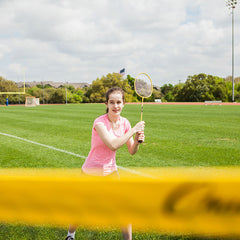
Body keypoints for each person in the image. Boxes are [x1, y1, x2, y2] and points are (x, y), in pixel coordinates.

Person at [65, 87, 145, 240]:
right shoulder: (99, 123)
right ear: (106, 104)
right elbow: (112, 145)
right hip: (90, 173)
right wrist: (134, 130)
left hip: (111, 173)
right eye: (112, 102)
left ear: (123, 104)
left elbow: (132, 151)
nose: (115, 106)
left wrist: (136, 141)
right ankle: (70, 235)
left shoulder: (125, 123)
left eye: (119, 102)